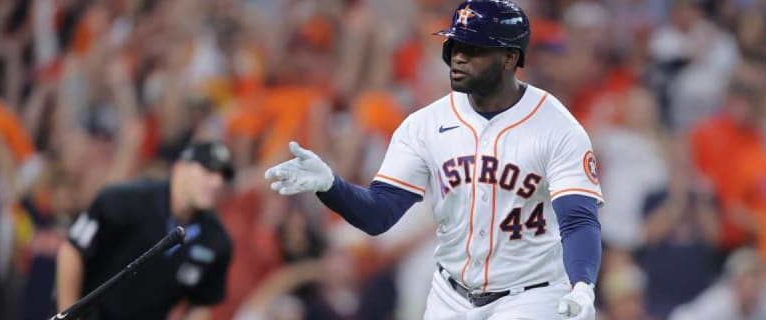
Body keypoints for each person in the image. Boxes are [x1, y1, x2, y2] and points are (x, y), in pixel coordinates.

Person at [264, 1, 604, 319]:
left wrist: (582, 284)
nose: (458, 57)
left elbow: (578, 220)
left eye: (473, 49)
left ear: (510, 59)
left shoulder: (557, 127)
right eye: (455, 46)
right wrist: (330, 185)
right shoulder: (424, 124)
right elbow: (380, 214)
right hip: (450, 295)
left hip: (529, 296)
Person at [55, 142, 234, 320]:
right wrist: (68, 315)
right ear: (180, 167)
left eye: (223, 176)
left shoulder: (216, 240)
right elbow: (72, 252)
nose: (217, 182)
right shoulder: (123, 200)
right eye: (209, 171)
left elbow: (201, 305)